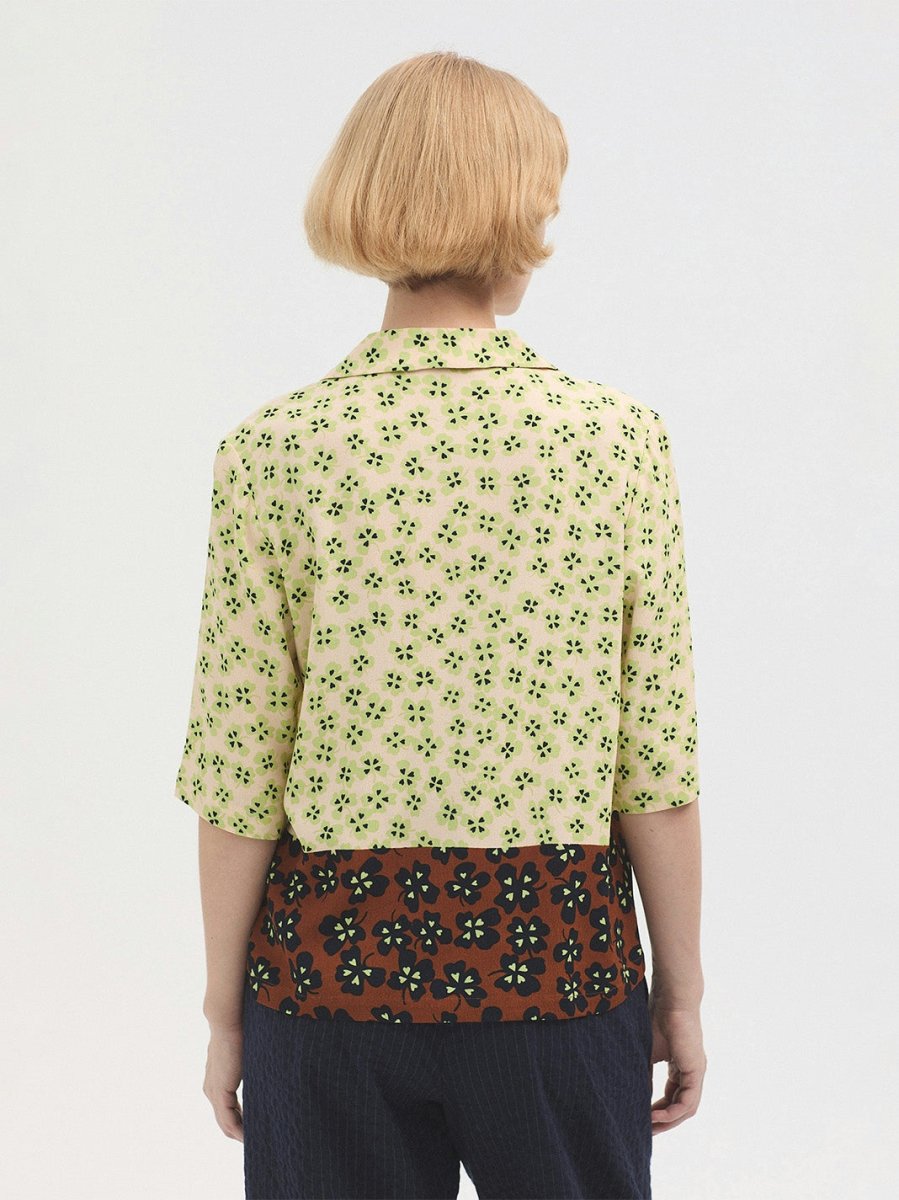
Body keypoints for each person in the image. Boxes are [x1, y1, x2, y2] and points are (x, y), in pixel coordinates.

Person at [174, 49, 706, 1200]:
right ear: (522, 208)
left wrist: (224, 1014)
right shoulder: (614, 443)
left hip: (328, 980)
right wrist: (681, 993)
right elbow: (653, 766)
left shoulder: (275, 450)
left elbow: (237, 772)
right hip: (556, 973)